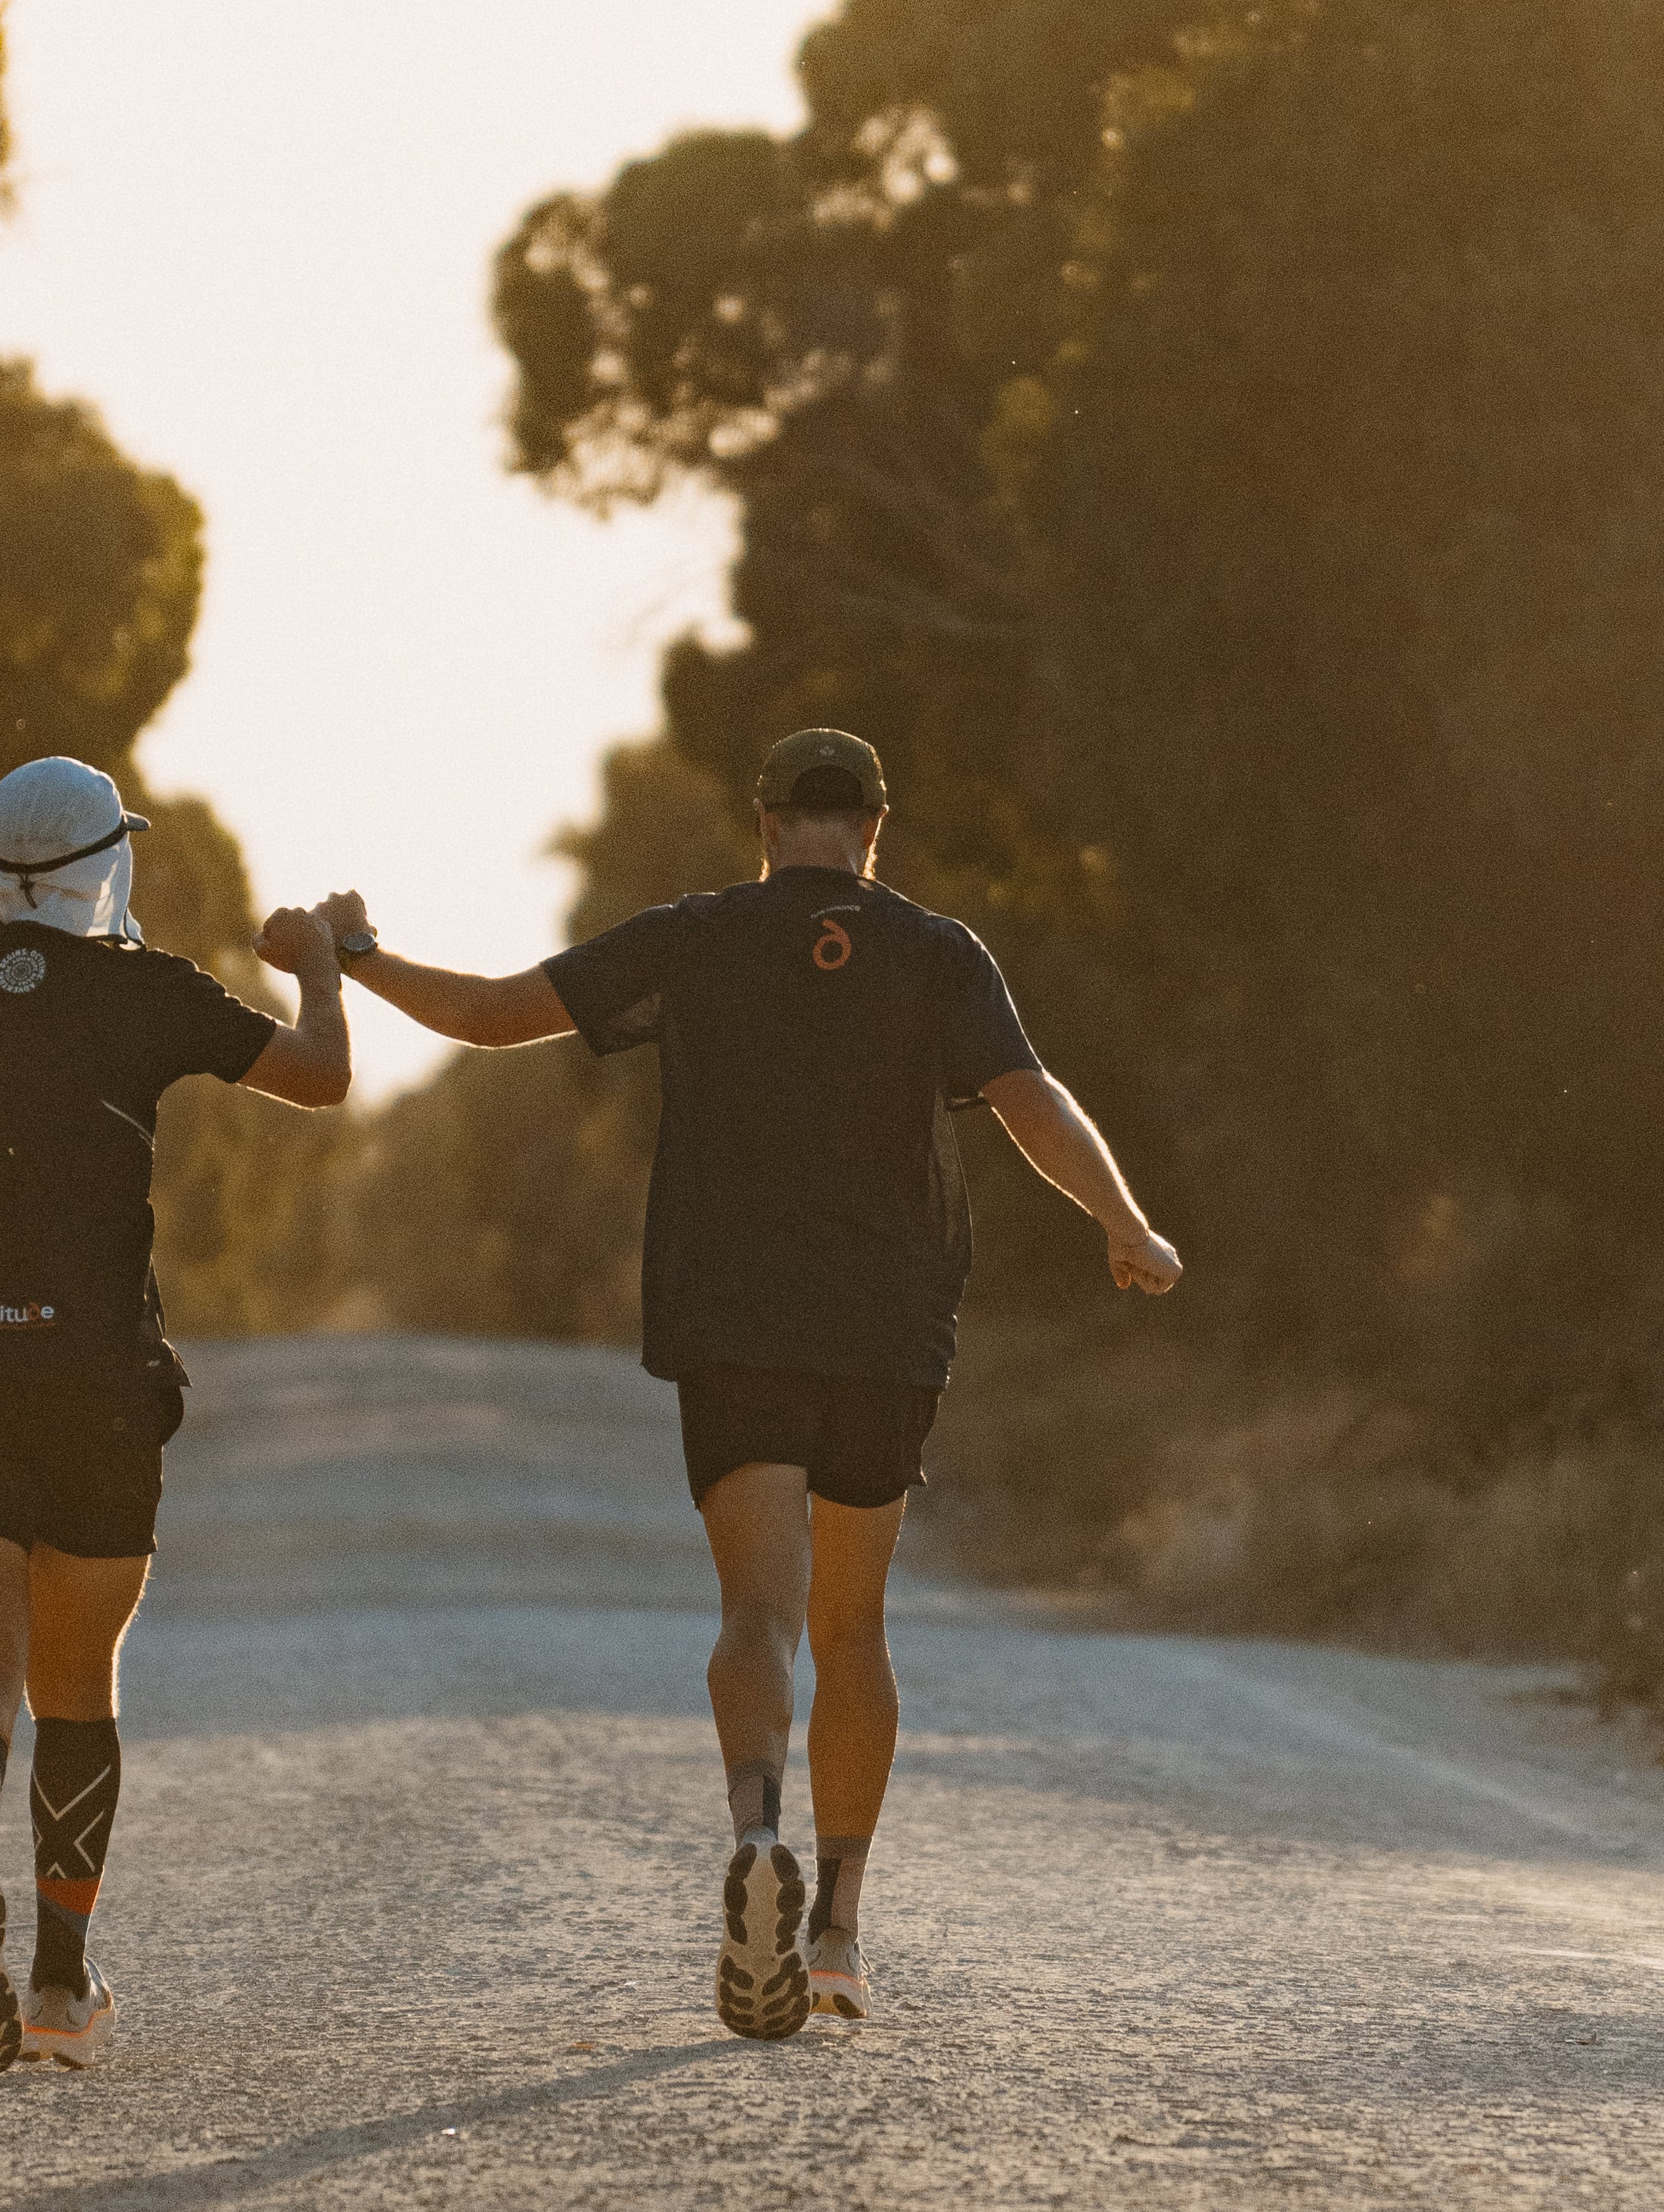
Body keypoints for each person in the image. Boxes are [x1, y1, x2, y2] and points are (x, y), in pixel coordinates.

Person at [315, 726, 1180, 2041]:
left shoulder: (698, 934)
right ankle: (833, 1929)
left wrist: (362, 961)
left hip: (734, 1322)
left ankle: (755, 1824)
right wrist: (1126, 1221)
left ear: (764, 823)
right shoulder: (939, 954)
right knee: (855, 1629)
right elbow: (1027, 1096)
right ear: (875, 831)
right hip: (884, 1329)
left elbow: (496, 1016)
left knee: (757, 1618)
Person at [0, 756, 348, 2076]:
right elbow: (321, 1079)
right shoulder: (149, 991)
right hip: (98, 1382)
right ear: (112, 863)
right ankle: (53, 1983)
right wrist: (319, 962)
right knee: (76, 1678)